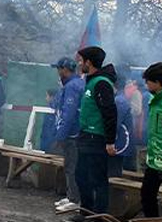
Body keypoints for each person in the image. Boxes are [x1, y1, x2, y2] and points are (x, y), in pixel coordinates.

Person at [71, 46, 117, 220]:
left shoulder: (101, 83)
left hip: (97, 138)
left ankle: (98, 216)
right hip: (86, 136)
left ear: (88, 62)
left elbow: (109, 112)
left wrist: (110, 141)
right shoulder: (91, 81)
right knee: (81, 176)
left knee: (97, 179)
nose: (79, 64)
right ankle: (86, 212)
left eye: (81, 61)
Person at [51, 57, 85, 213]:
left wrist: (61, 135)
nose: (57, 72)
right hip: (73, 133)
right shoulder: (73, 84)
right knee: (70, 165)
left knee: (72, 167)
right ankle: (71, 194)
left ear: (65, 69)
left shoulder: (73, 86)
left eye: (59, 69)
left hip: (72, 134)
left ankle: (74, 199)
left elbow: (69, 113)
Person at [140, 62, 162, 218]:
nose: (146, 84)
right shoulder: (155, 101)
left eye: (148, 81)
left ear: (158, 82)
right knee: (147, 195)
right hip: (155, 160)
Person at [40, 88, 59, 153]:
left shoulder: (55, 110)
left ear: (52, 97)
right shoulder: (49, 109)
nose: (46, 98)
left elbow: (50, 131)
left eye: (47, 96)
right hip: (47, 142)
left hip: (51, 145)